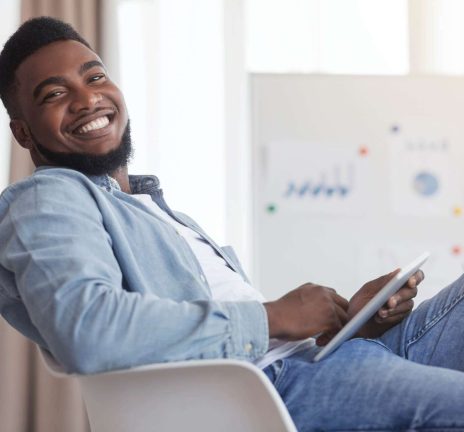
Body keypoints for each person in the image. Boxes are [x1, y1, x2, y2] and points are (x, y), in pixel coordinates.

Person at [0, 17, 463, 432]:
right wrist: (275, 316)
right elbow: (89, 330)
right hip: (277, 391)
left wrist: (351, 325)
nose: (87, 99)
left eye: (95, 76)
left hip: (326, 359)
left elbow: (240, 334)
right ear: (23, 132)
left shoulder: (159, 212)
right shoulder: (47, 197)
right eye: (55, 94)